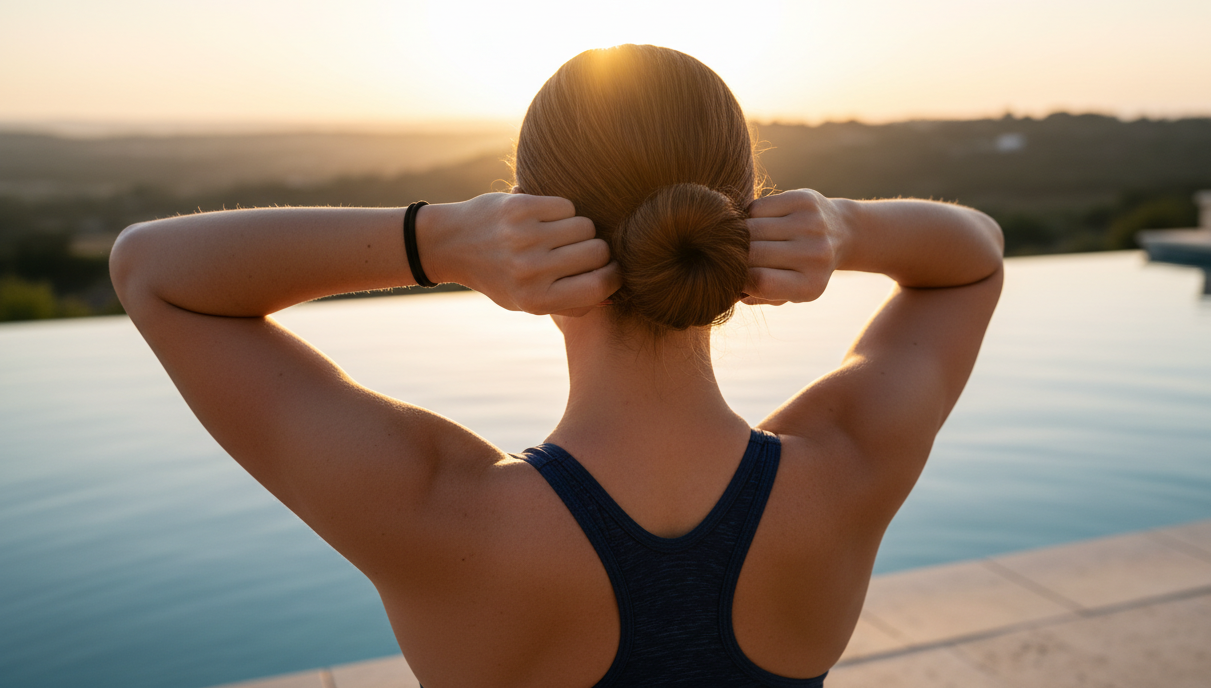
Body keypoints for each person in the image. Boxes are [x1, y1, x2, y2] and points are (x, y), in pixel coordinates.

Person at [110, 44, 1003, 687]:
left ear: (526, 215)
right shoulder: (847, 466)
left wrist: (436, 238)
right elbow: (975, 258)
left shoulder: (435, 510)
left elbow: (152, 271)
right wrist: (847, 225)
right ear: (741, 220)